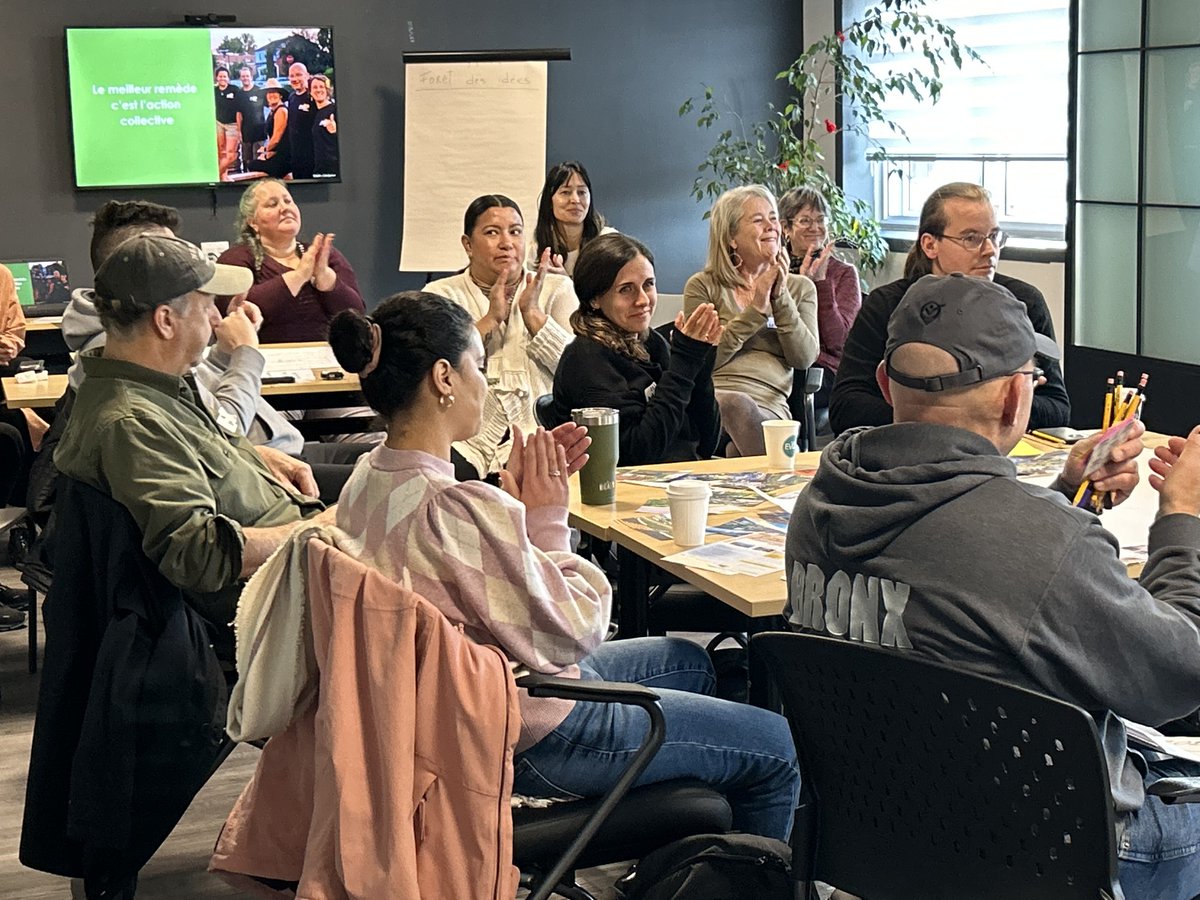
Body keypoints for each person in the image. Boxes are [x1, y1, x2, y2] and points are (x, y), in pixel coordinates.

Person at [784, 273, 1200, 900]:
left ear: (883, 382)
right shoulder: (1037, 542)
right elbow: (1178, 675)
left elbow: (967, 570)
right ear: (1014, 399)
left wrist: (1067, 496)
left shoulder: (819, 502)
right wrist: (1182, 521)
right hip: (1055, 852)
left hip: (880, 836)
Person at [329, 290, 800, 839]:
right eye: (477, 367)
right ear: (443, 378)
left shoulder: (367, 479)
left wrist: (518, 512)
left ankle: (672, 860)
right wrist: (547, 522)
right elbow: (571, 632)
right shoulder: (454, 509)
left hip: (460, 709)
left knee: (685, 660)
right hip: (526, 730)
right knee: (776, 746)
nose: (484, 383)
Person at [54, 234, 326, 641]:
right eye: (207, 307)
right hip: (275, 602)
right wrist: (318, 529)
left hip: (290, 569)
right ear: (165, 321)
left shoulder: (156, 389)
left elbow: (192, 458)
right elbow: (200, 554)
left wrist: (251, 456)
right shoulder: (132, 423)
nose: (217, 321)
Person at [51, 200, 371, 504]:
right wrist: (245, 353)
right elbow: (223, 432)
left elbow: (205, 423)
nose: (214, 315)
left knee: (395, 462)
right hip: (248, 470)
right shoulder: (121, 359)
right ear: (137, 268)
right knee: (393, 478)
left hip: (260, 455)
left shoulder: (128, 348)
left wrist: (222, 353)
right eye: (170, 255)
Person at [829, 181, 1069, 434]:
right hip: (909, 453)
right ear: (930, 244)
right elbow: (846, 408)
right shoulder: (888, 305)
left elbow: (1058, 408)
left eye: (994, 236)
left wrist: (980, 405)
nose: (990, 250)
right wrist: (952, 414)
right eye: (971, 238)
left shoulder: (1023, 303)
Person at [425, 194, 578, 478]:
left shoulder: (557, 289)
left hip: (541, 436)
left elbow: (577, 372)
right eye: (492, 232)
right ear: (468, 245)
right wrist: (489, 321)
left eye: (515, 232)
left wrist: (534, 316)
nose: (507, 243)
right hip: (465, 440)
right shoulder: (441, 295)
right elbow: (437, 370)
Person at [552, 233, 723, 466]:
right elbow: (639, 454)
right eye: (626, 289)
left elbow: (706, 441)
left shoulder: (651, 342)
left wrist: (699, 368)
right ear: (594, 299)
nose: (643, 300)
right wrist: (684, 364)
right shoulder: (586, 359)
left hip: (682, 478)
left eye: (648, 285)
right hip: (626, 491)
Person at [683, 185, 819, 457]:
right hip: (713, 404)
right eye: (758, 220)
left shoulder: (801, 288)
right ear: (732, 238)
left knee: (738, 445)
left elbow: (803, 358)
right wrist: (755, 310)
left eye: (772, 218)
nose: (772, 227)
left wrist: (779, 297)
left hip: (770, 408)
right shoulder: (704, 286)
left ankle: (756, 464)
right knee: (735, 405)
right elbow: (700, 360)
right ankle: (777, 481)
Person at [217, 178, 364, 342]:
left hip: (326, 358)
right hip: (264, 359)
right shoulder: (235, 258)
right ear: (253, 222)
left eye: (288, 201)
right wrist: (299, 276)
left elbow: (356, 313)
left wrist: (325, 278)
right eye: (272, 204)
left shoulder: (324, 255)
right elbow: (235, 310)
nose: (285, 208)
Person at [778, 186, 861, 417]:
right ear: (786, 227)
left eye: (820, 219)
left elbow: (839, 342)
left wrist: (819, 284)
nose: (815, 227)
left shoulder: (844, 273)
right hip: (776, 360)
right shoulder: (773, 269)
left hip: (821, 369)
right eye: (805, 220)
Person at [529, 161, 614, 276]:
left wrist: (565, 284)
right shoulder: (538, 248)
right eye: (565, 192)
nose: (575, 200)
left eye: (581, 192)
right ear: (549, 201)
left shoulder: (608, 241)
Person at [248, 80, 290, 179]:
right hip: (276, 154)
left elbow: (276, 139)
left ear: (280, 95)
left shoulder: (281, 111)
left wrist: (265, 152)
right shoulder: (272, 111)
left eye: (274, 92)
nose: (271, 95)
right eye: (269, 92)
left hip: (283, 158)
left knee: (252, 165)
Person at [285, 62, 315, 180]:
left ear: (307, 75)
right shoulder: (291, 97)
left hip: (311, 155)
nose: (295, 79)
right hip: (296, 155)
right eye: (292, 76)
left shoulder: (312, 97)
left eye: (298, 75)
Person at [234, 66, 266, 172]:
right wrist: (239, 131)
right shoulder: (239, 94)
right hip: (246, 132)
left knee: (258, 161)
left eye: (247, 76)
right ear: (240, 78)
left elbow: (271, 107)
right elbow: (239, 114)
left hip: (259, 132)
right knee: (247, 160)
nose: (245, 78)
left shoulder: (260, 91)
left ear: (251, 77)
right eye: (243, 76)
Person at [213, 66, 241, 181]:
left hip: (232, 125)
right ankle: (223, 175)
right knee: (220, 151)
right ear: (216, 78)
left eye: (224, 76)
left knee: (231, 155)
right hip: (218, 123)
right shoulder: (213, 91)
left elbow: (239, 110)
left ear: (228, 78)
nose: (222, 78)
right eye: (220, 76)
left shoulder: (234, 90)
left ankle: (216, 174)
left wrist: (239, 129)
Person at [308, 74, 338, 178]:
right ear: (310, 92)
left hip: (332, 167)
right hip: (319, 166)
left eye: (321, 87)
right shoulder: (315, 113)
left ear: (327, 90)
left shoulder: (334, 110)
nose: (318, 90)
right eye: (315, 87)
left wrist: (335, 132)